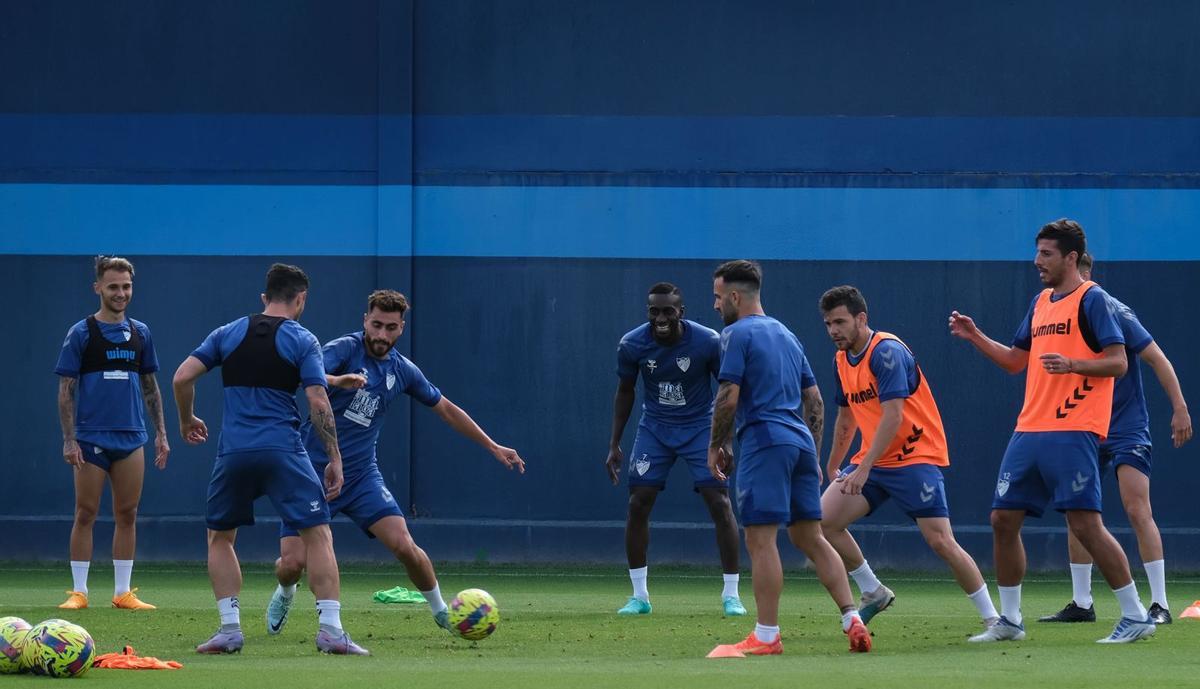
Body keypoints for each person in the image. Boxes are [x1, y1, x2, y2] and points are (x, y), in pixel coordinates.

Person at [266, 289, 525, 635]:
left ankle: (442, 613)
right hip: (310, 472)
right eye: (376, 325)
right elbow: (304, 376)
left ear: (401, 328)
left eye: (390, 327)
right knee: (292, 564)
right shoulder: (343, 349)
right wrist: (338, 380)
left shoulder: (403, 370)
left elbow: (446, 409)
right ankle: (285, 590)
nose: (381, 335)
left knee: (405, 545)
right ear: (365, 321)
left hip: (360, 478)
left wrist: (492, 446)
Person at [949, 219, 1155, 644]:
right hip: (1029, 429)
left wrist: (1074, 364)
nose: (1037, 261)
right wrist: (975, 337)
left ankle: (1136, 615)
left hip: (1075, 428)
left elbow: (1118, 362)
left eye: (1046, 253)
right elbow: (1014, 361)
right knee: (1002, 519)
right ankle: (1009, 621)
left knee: (1085, 525)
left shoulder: (1093, 299)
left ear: (1071, 258)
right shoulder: (1041, 301)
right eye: (1037, 252)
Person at [172, 263, 367, 655]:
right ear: (301, 299)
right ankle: (330, 630)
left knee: (220, 537)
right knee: (318, 534)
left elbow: (181, 378)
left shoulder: (227, 332)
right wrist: (335, 458)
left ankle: (229, 629)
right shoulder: (303, 339)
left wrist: (186, 418)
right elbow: (316, 400)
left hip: (234, 453)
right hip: (283, 451)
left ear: (265, 298)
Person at [707, 260, 870, 656]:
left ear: (733, 296)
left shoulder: (734, 334)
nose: (714, 306)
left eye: (716, 297)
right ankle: (853, 619)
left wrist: (716, 444)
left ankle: (766, 635)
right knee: (809, 536)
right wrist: (811, 455)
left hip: (764, 441)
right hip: (798, 441)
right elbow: (813, 400)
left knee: (761, 541)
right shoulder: (786, 333)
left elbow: (729, 395)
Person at [818, 285, 999, 633]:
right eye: (828, 324)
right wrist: (833, 463)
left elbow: (894, 416)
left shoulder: (887, 352)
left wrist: (863, 468)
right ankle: (872, 591)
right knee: (822, 523)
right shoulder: (841, 359)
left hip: (914, 457)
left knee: (941, 542)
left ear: (861, 318)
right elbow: (846, 417)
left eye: (839, 322)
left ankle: (995, 619)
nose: (833, 331)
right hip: (873, 460)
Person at [1039, 253, 1191, 625]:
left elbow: (1158, 359)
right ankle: (1082, 603)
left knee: (1137, 508)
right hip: (1084, 426)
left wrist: (1180, 408)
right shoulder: (1055, 314)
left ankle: (1160, 604)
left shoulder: (1112, 310)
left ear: (1085, 275)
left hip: (1126, 428)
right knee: (1077, 514)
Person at [606, 282, 745, 617]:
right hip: (655, 427)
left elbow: (728, 391)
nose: (661, 317)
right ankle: (639, 596)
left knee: (719, 501)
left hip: (700, 427)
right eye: (654, 311)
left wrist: (724, 441)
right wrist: (614, 444)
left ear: (681, 312)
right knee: (638, 501)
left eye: (668, 311)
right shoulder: (632, 344)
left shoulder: (708, 342)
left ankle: (732, 595)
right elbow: (625, 392)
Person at [54, 255, 169, 611]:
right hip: (90, 438)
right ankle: (79, 592)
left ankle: (123, 593)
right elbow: (66, 390)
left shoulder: (141, 333)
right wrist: (70, 438)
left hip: (132, 436)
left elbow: (151, 386)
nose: (121, 293)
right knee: (85, 512)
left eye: (126, 286)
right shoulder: (82, 333)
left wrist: (162, 433)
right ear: (98, 288)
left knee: (128, 513)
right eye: (113, 286)